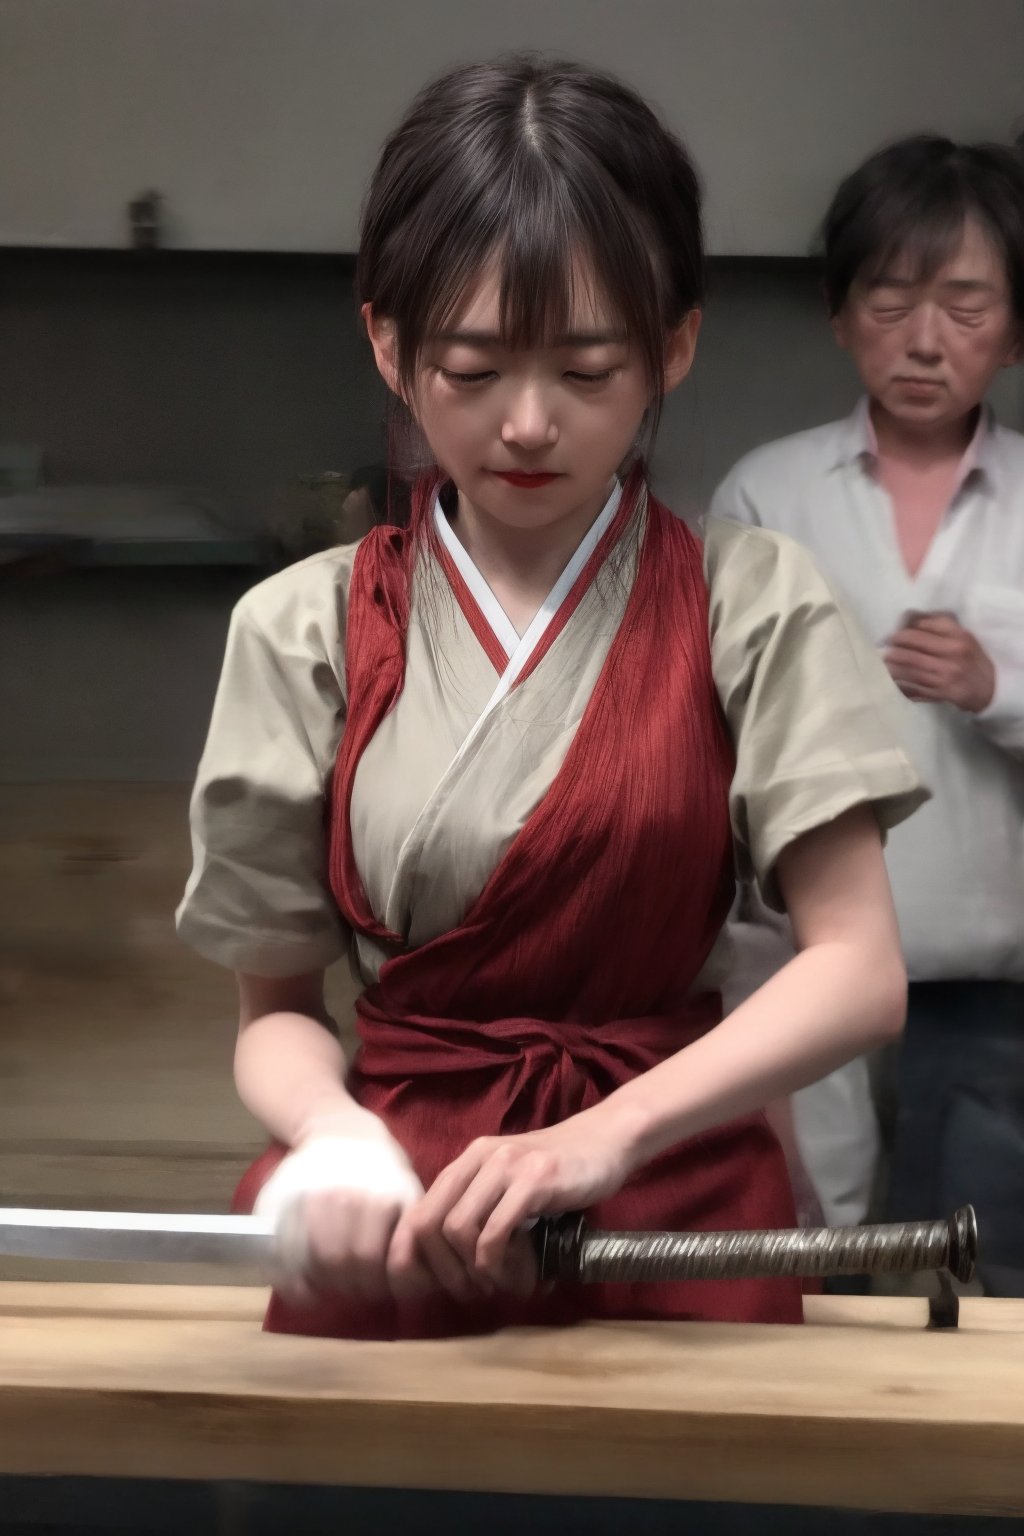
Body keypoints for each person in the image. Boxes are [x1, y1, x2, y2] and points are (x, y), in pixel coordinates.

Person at [176, 57, 924, 1340]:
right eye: (471, 371)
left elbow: (856, 970)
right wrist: (331, 1135)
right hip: (399, 1213)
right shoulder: (304, 630)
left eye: (585, 372)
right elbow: (275, 1015)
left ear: (671, 346)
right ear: (389, 344)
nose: (527, 425)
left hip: (671, 1197)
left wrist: (605, 1134)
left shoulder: (751, 602)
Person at [711, 136, 1024, 1289]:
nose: (925, 340)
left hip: (992, 984)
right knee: (816, 1259)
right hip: (804, 962)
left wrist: (999, 690)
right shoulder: (765, 494)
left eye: (964, 304)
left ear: (1014, 326)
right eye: (890, 303)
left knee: (986, 1283)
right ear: (840, 316)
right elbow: (722, 738)